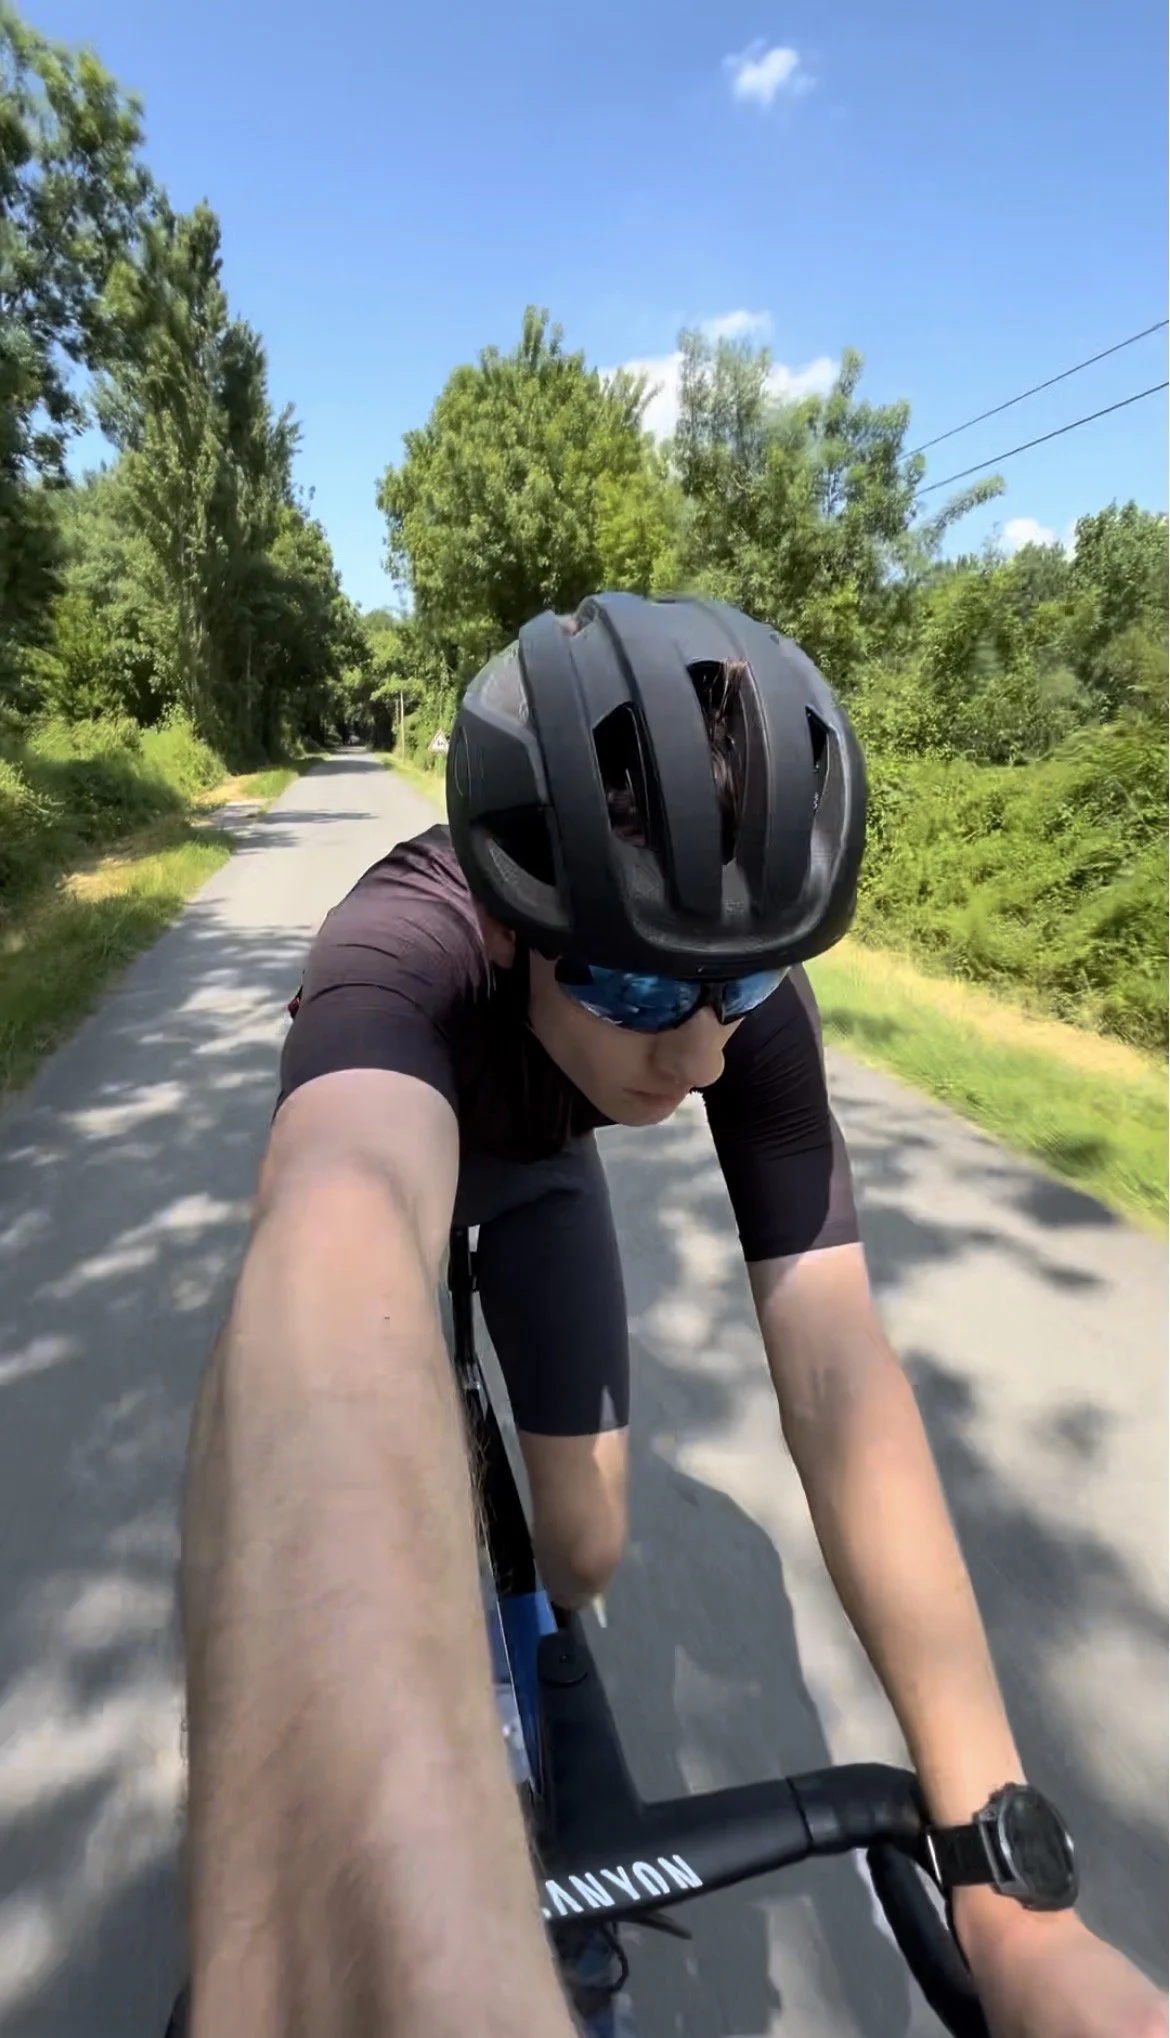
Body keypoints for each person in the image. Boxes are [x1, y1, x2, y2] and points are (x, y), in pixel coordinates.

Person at [179, 594, 1166, 2038]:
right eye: (641, 983)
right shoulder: (398, 944)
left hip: (539, 1179)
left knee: (582, 1546)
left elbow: (836, 1368)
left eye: (743, 982)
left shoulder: (730, 1011)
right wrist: (355, 1875)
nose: (702, 1054)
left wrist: (1005, 1881)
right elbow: (327, 1254)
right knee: (369, 1382)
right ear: (515, 917)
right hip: (404, 1173)